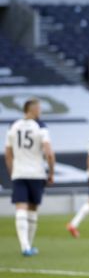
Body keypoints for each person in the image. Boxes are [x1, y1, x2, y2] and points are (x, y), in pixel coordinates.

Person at [4, 98, 55, 256]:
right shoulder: (40, 126)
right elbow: (49, 152)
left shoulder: (13, 126)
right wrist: (51, 172)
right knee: (32, 208)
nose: (40, 111)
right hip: (36, 172)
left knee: (21, 207)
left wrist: (13, 171)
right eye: (39, 108)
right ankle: (27, 245)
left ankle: (25, 246)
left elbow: (8, 154)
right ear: (31, 109)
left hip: (19, 172)